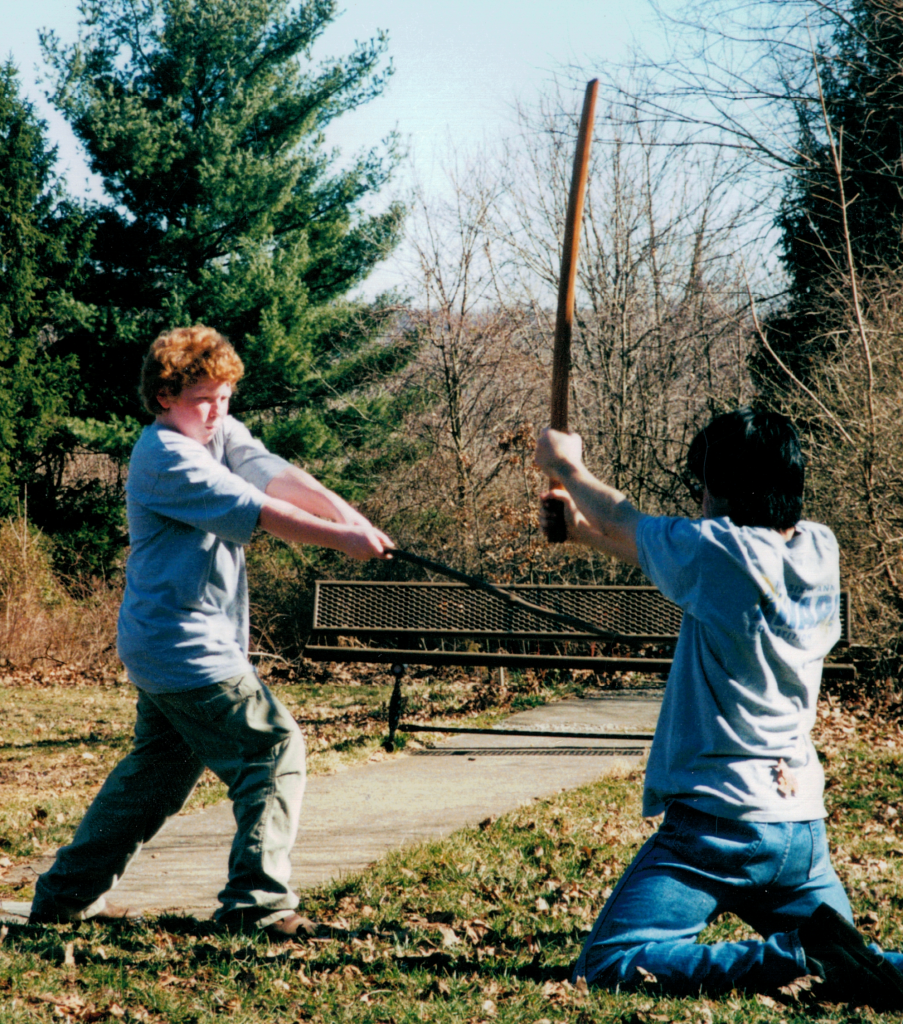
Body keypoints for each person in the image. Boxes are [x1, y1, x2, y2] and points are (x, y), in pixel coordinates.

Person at [30, 325, 394, 938]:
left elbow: (271, 471)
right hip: (183, 645)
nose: (217, 411)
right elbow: (260, 510)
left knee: (156, 774)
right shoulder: (166, 456)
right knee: (273, 750)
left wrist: (344, 512)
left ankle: (64, 897)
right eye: (203, 399)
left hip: (169, 643)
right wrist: (340, 538)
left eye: (225, 396)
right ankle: (258, 906)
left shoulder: (215, 430)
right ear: (163, 398)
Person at [534, 408, 903, 1007]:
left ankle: (792, 958)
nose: (698, 499)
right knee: (861, 967)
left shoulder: (720, 552)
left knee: (611, 962)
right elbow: (672, 554)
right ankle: (831, 957)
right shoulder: (818, 549)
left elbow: (628, 519)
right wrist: (579, 531)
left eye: (702, 486)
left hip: (717, 828)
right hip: (800, 829)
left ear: (726, 491)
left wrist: (567, 465)